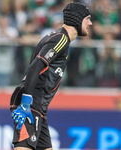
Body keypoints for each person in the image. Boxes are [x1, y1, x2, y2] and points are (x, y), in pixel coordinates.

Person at [10, 2, 92, 149]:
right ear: (78, 19)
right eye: (88, 18)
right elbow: (36, 65)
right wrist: (26, 103)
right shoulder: (61, 39)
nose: (90, 23)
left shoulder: (59, 38)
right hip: (32, 103)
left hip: (38, 107)